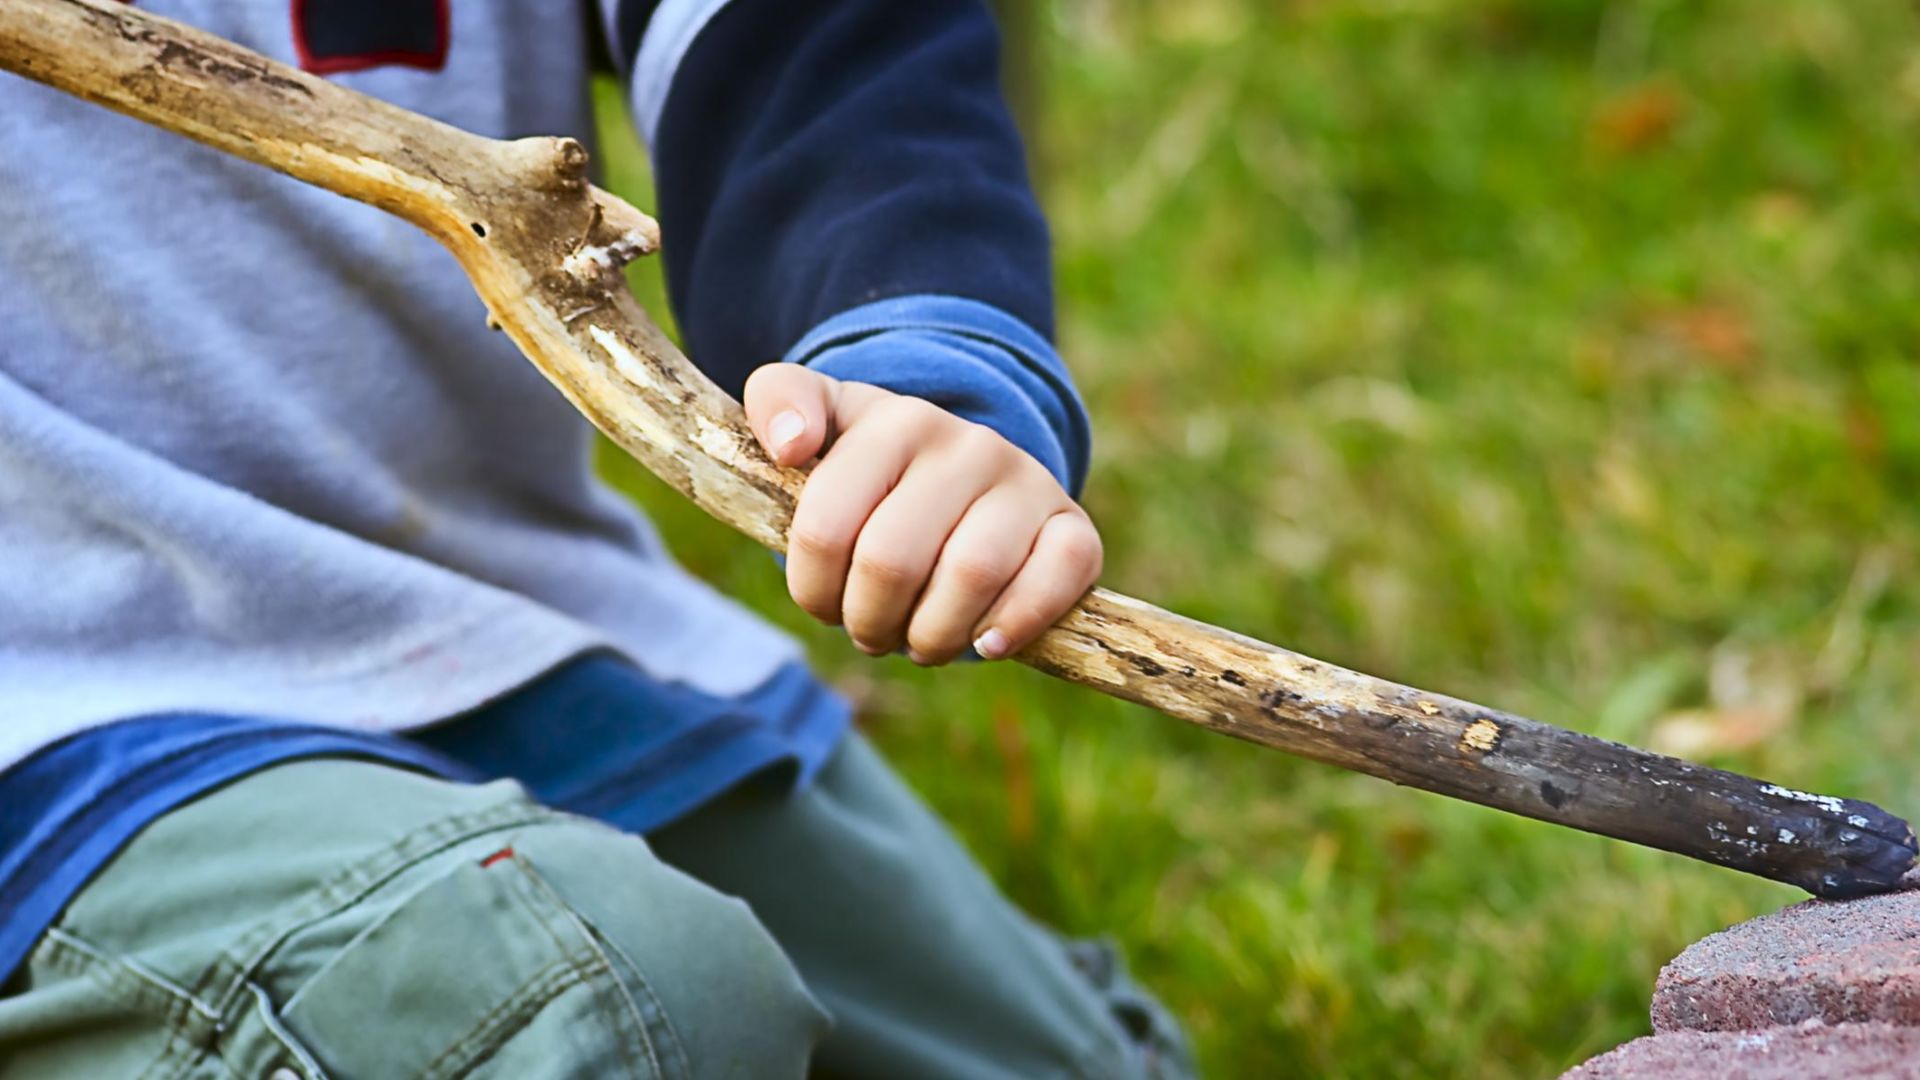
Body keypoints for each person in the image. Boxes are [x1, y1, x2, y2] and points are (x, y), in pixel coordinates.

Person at [0, 1, 1193, 1076]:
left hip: (499, 611)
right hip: (53, 701)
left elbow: (811, 43)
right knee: (603, 1018)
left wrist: (907, 356)